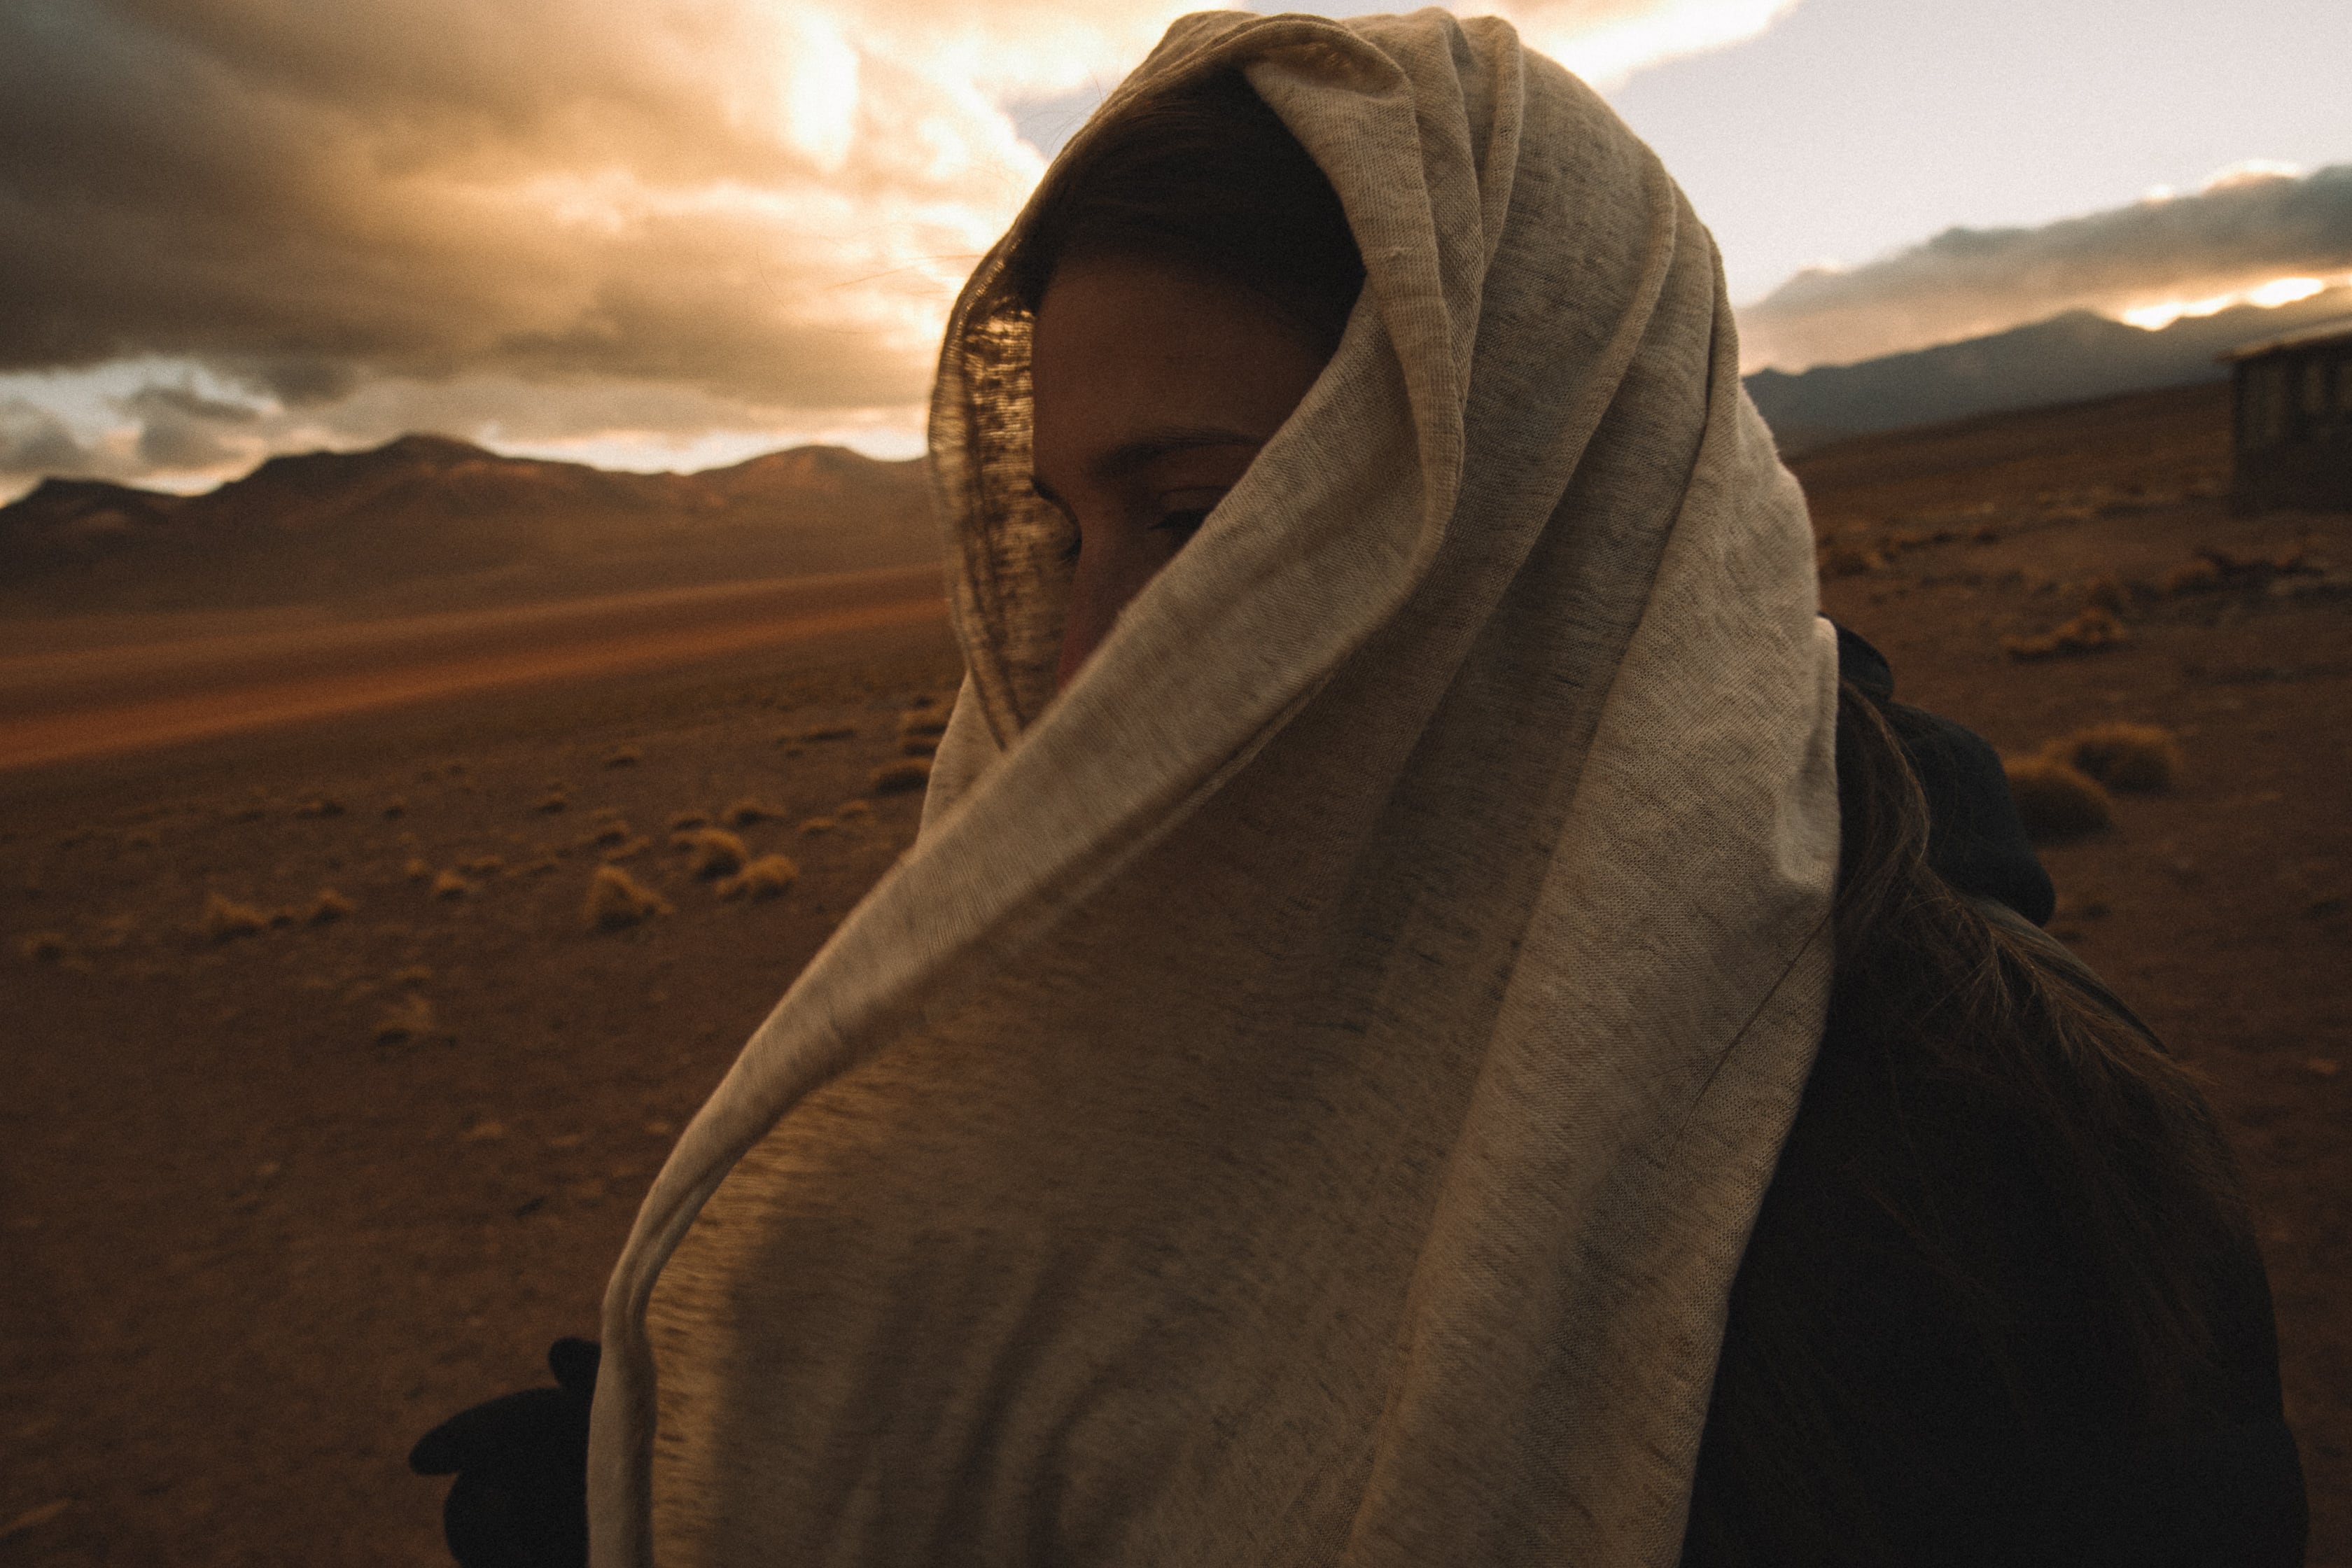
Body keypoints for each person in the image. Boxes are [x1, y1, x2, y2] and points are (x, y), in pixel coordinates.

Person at [414, 13, 2304, 1565]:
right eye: (1059, 532)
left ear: (1521, 506)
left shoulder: (1986, 1186)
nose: (1088, 670)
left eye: (1205, 522)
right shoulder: (1130, 1001)